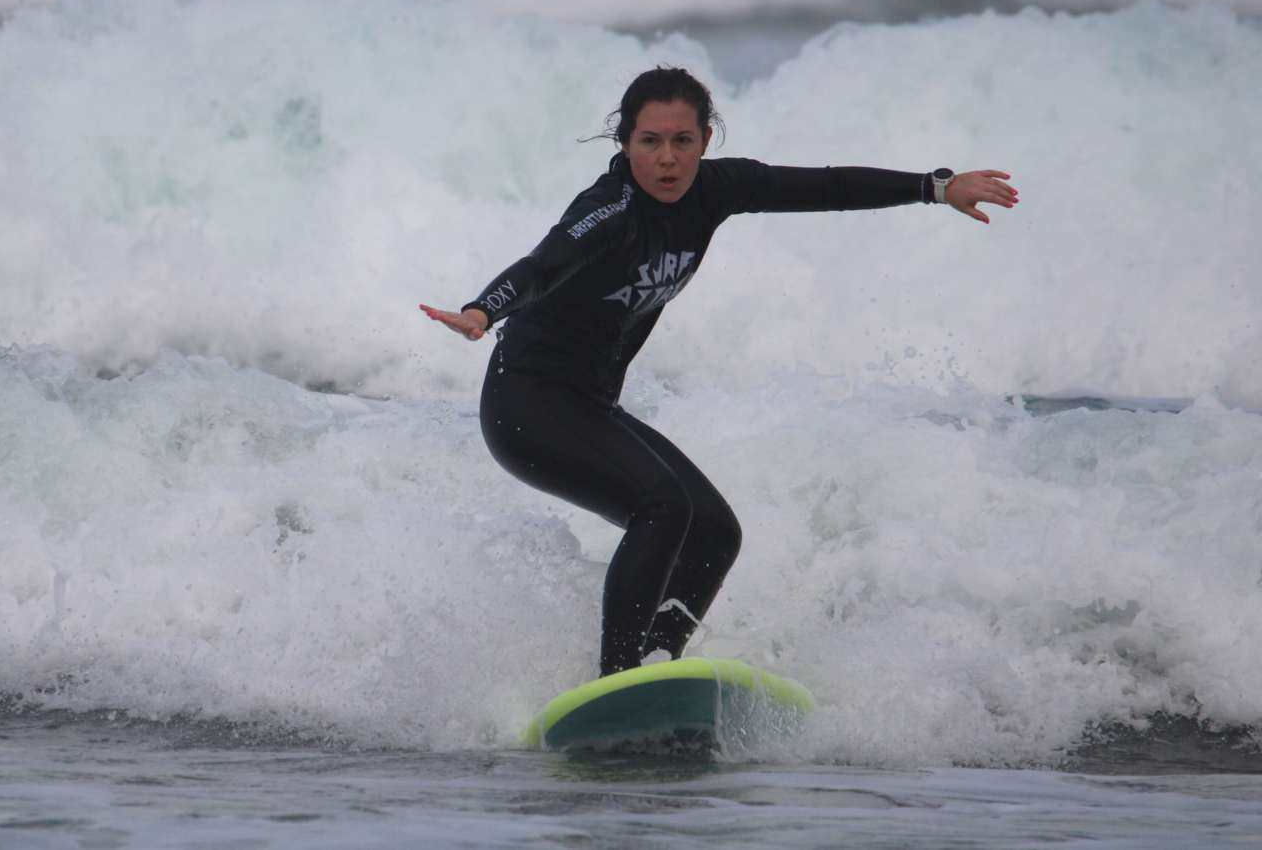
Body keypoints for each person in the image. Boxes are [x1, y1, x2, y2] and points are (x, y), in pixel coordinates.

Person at [420, 67, 1018, 678]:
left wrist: (936, 187)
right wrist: (482, 310)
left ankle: (657, 665)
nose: (667, 159)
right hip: (527, 406)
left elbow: (827, 186)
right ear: (625, 143)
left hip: (589, 406)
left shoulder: (716, 189)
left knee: (713, 532)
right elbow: (541, 266)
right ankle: (618, 678)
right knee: (662, 508)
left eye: (683, 141)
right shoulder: (609, 210)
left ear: (705, 140)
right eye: (650, 141)